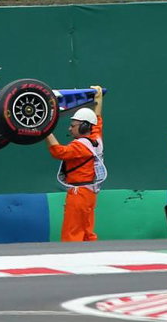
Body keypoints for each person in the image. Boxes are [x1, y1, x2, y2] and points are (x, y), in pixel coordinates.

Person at [45, 87, 104, 242]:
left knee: (72, 233)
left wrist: (46, 129)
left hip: (78, 194)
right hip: (90, 194)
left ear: (84, 126)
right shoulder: (96, 139)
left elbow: (58, 152)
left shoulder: (81, 146)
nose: (70, 128)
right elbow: (97, 120)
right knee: (87, 232)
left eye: (73, 125)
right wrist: (98, 99)